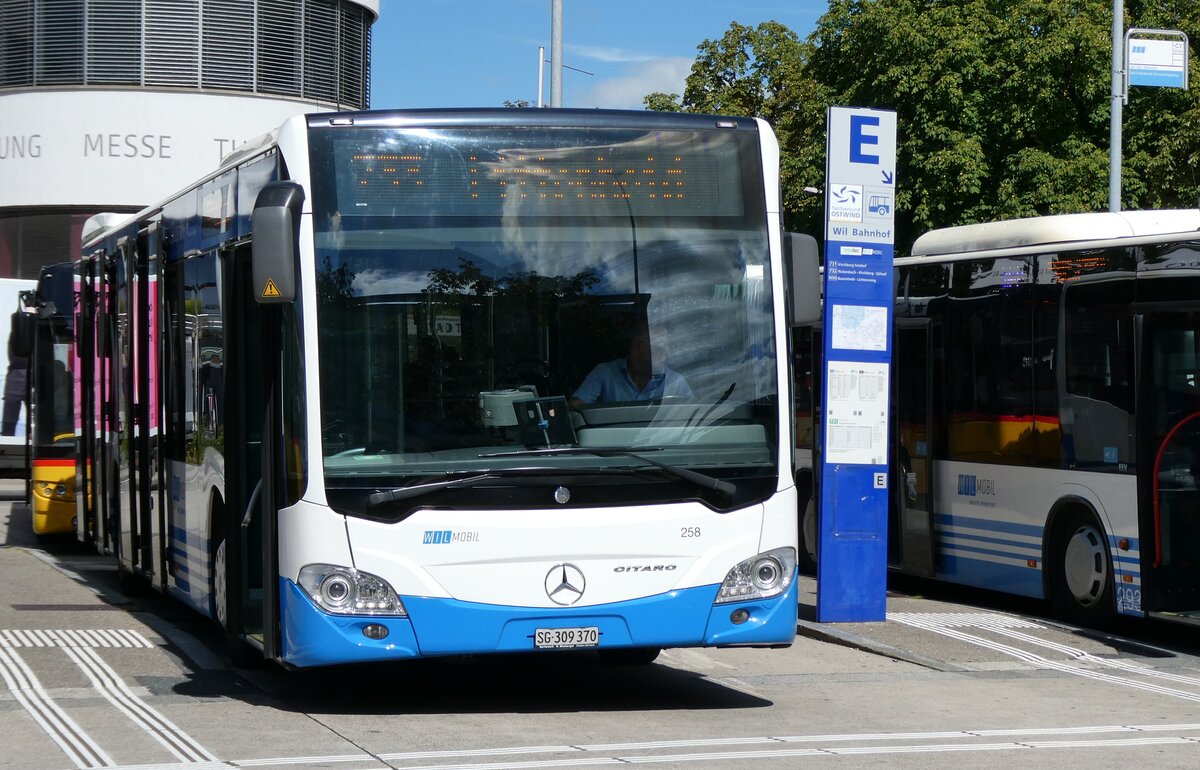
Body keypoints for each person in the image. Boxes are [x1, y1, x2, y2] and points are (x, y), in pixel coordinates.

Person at [570, 324, 692, 407]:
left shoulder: (675, 381)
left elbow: (694, 416)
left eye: (667, 349)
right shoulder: (605, 373)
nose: (666, 355)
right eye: (658, 349)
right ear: (636, 349)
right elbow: (576, 407)